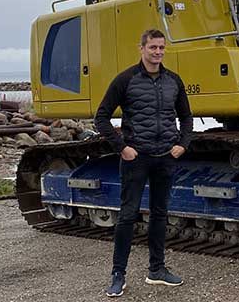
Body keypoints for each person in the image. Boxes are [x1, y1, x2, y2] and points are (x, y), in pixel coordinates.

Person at [94, 28, 193, 297]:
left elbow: (186, 117)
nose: (158, 52)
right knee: (127, 216)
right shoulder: (125, 79)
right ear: (142, 49)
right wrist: (122, 148)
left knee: (160, 214)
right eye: (153, 48)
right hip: (136, 159)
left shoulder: (173, 80)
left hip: (165, 159)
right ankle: (118, 275)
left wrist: (182, 145)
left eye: (161, 48)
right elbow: (101, 117)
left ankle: (157, 270)